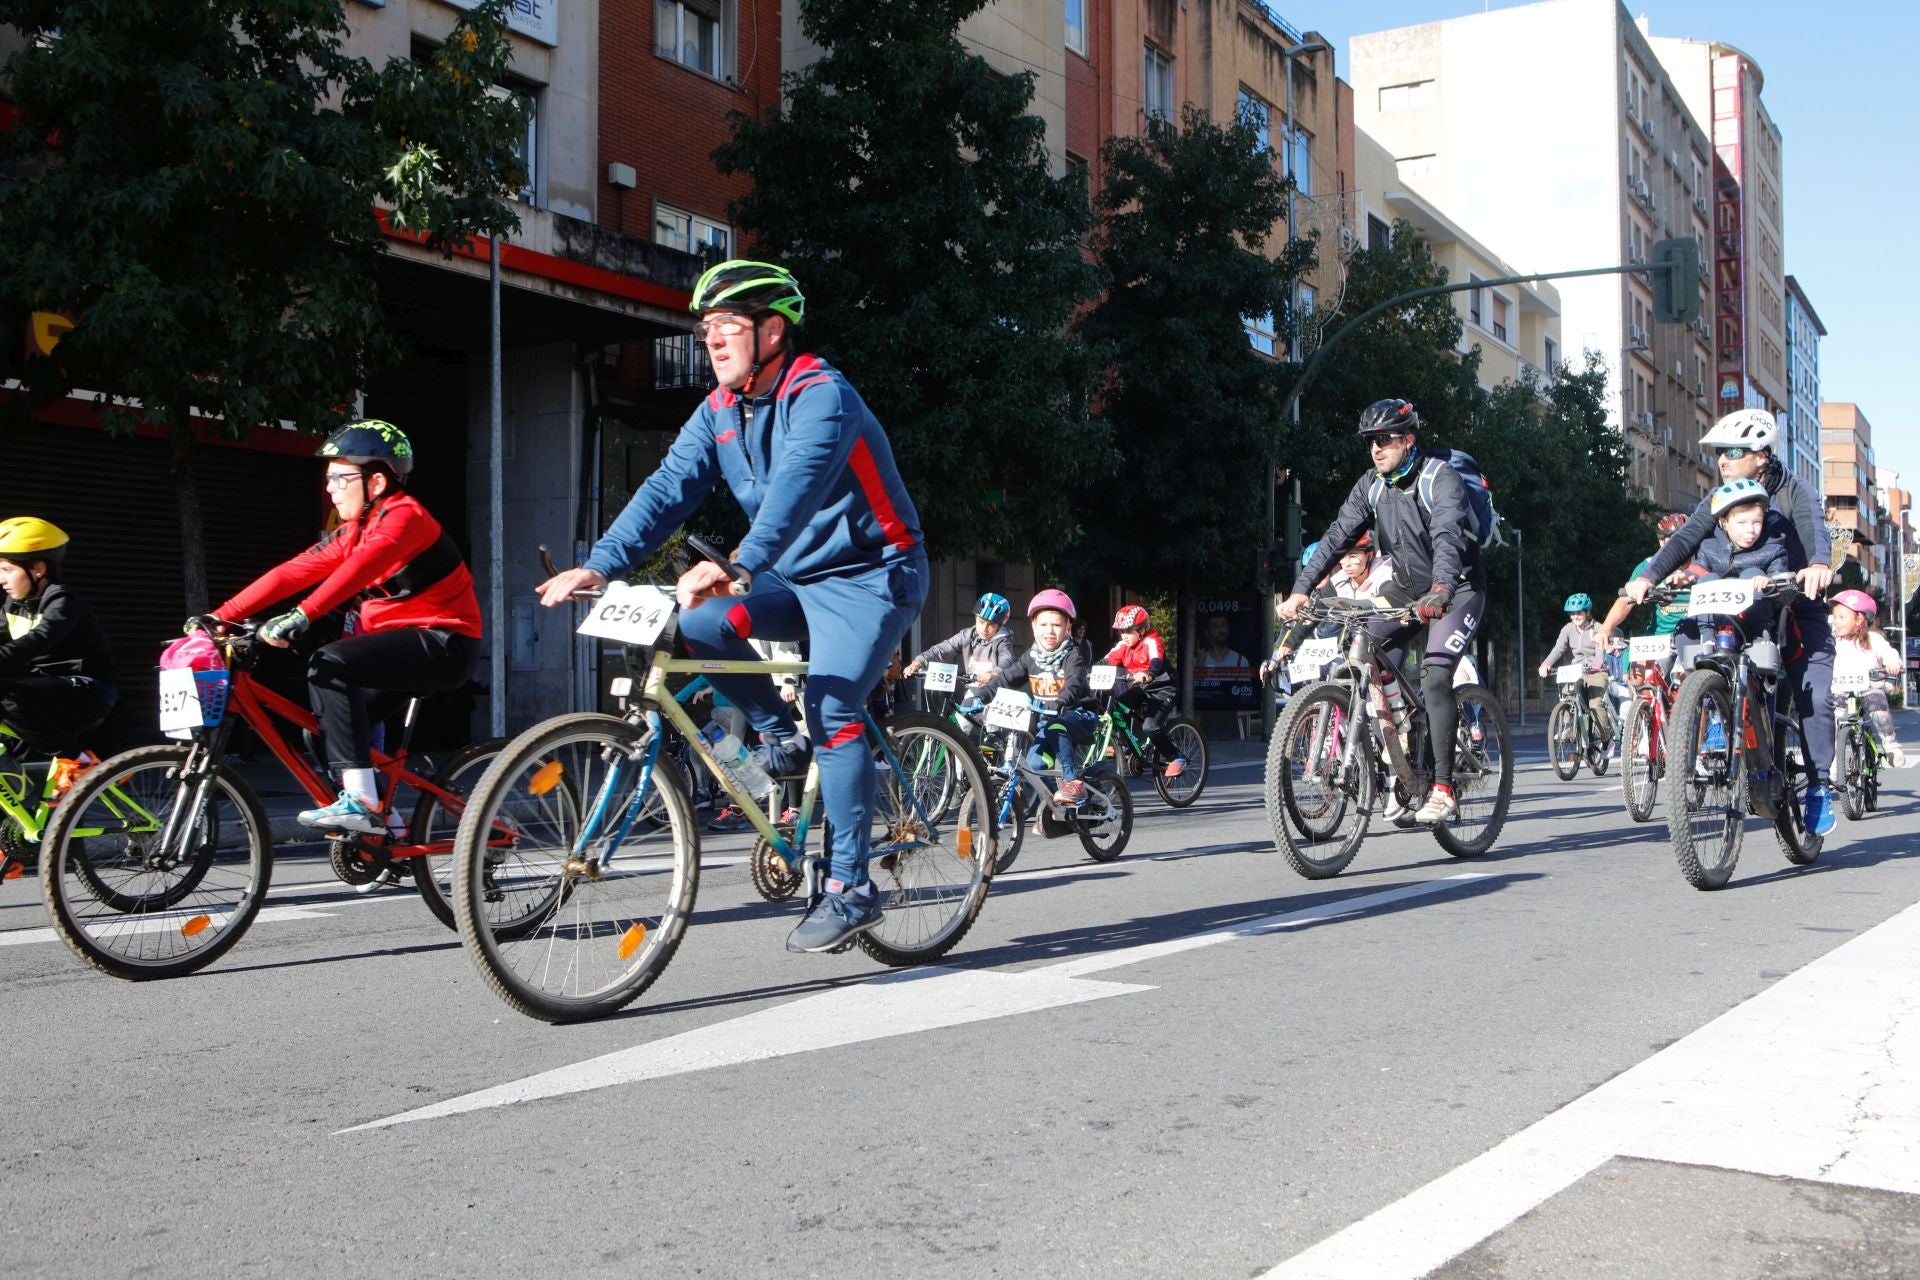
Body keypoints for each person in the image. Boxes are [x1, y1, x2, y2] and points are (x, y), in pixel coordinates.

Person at [537, 259, 929, 955]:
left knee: (835, 706)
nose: (711, 340)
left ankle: (850, 887)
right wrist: (600, 564)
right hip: (792, 576)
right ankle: (781, 738)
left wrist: (738, 564)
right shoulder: (720, 409)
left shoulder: (821, 395)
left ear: (772, 330)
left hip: (872, 576)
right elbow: (665, 490)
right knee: (701, 623)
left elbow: (796, 491)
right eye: (705, 329)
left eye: (727, 326)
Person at [211, 421, 482, 835]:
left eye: (340, 477)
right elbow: (292, 572)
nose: (330, 489)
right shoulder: (353, 531)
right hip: (400, 647)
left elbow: (356, 573)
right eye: (327, 479)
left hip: (444, 641)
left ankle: (362, 801)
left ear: (375, 481)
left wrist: (302, 614)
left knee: (331, 663)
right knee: (322, 729)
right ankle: (387, 828)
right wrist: (221, 615)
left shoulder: (405, 518)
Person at [1625, 408, 1839, 835]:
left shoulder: (1794, 490)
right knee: (1701, 644)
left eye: (1733, 452)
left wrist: (1817, 564)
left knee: (1814, 692)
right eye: (1719, 453)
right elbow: (1687, 538)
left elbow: (1815, 529)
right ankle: (1720, 715)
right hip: (1736, 601)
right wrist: (1650, 575)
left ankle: (1818, 786)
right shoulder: (1720, 496)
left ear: (1761, 455)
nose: (1721, 460)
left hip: (1795, 598)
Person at [1278, 398, 1486, 825]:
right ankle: (1404, 764)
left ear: (1408, 440)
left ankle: (1444, 787)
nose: (1376, 448)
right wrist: (1302, 590)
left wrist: (1443, 588)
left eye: (1386, 439)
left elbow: (1447, 534)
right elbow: (1337, 536)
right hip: (1406, 589)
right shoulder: (1371, 484)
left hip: (1458, 588)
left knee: (1434, 673)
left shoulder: (1438, 477)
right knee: (1366, 656)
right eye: (1371, 441)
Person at [0, 517, 116, 759]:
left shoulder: (63, 600)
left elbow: (40, 638)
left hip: (87, 691)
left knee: (8, 694)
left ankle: (76, 759)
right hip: (42, 691)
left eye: (6, 570)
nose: (1, 579)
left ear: (37, 569)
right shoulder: (13, 604)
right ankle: (37, 791)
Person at [973, 589, 1095, 804]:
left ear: (1068, 628)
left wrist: (1063, 701)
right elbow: (1006, 678)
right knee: (1034, 766)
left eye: (1057, 625)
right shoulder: (1031, 656)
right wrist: (981, 696)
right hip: (1048, 720)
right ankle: (1054, 810)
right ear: (1034, 627)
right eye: (1044, 625)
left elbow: (1075, 682)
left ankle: (1073, 782)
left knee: (1056, 727)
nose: (1050, 631)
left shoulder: (1073, 654)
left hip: (1079, 715)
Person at [1829, 589, 1908, 770]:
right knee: (1832, 722)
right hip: (1840, 691)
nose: (1837, 622)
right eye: (1835, 617)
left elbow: (1889, 654)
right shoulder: (1832, 641)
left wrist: (1893, 664)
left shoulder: (1873, 639)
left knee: (1880, 712)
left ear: (1859, 619)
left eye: (1842, 617)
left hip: (1869, 688)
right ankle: (1834, 763)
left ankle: (1890, 744)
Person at [1099, 603, 1181, 776]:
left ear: (1142, 630)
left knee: (1150, 726)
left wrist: (1149, 674)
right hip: (1141, 688)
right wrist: (1082, 672)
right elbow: (1105, 661)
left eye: (1129, 631)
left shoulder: (1151, 640)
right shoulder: (1123, 646)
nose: (1124, 635)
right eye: (1122, 631)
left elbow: (1156, 660)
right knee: (1116, 708)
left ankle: (1176, 757)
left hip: (1163, 688)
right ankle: (1128, 744)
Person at [902, 592, 1018, 699]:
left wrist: (994, 673)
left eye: (991, 625)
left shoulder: (1003, 641)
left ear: (999, 626)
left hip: (995, 695)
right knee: (962, 720)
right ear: (975, 618)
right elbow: (943, 649)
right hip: (973, 691)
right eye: (981, 622)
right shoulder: (967, 636)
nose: (984, 629)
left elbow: (1006, 659)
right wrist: (919, 661)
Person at [1539, 594, 1615, 746]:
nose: (1575, 616)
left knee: (1595, 704)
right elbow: (1559, 648)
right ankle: (1568, 726)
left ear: (1587, 612)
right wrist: (1546, 664)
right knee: (1567, 695)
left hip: (1596, 671)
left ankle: (1607, 738)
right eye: (1572, 614)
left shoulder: (1598, 628)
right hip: (1577, 670)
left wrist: (1598, 664)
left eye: (1579, 612)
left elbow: (1600, 650)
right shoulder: (1567, 629)